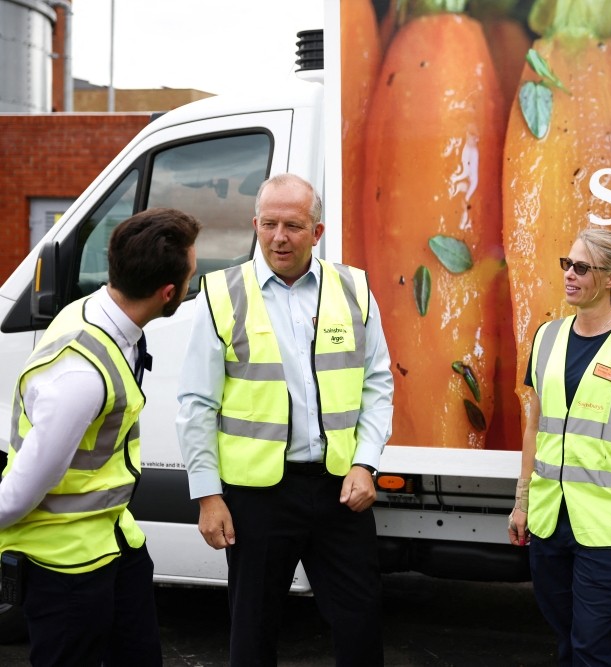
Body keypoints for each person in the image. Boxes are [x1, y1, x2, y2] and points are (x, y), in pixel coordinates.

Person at [175, 173, 393, 667]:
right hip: (257, 498)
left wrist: (366, 463)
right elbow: (195, 404)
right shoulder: (223, 294)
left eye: (293, 225)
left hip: (341, 490)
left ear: (316, 232)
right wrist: (209, 496)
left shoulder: (353, 289)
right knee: (253, 631)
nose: (279, 236)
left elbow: (377, 384)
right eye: (269, 224)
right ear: (255, 224)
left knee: (360, 625)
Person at [0, 208, 201, 667]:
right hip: (65, 566)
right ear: (169, 293)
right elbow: (18, 493)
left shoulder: (101, 312)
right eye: (191, 275)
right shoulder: (80, 378)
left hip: (115, 541)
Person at [507, 228, 611, 667]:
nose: (569, 275)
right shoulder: (547, 337)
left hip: (604, 524)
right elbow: (534, 425)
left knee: (593, 646)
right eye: (567, 264)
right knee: (567, 636)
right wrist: (521, 502)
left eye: (581, 267)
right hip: (548, 518)